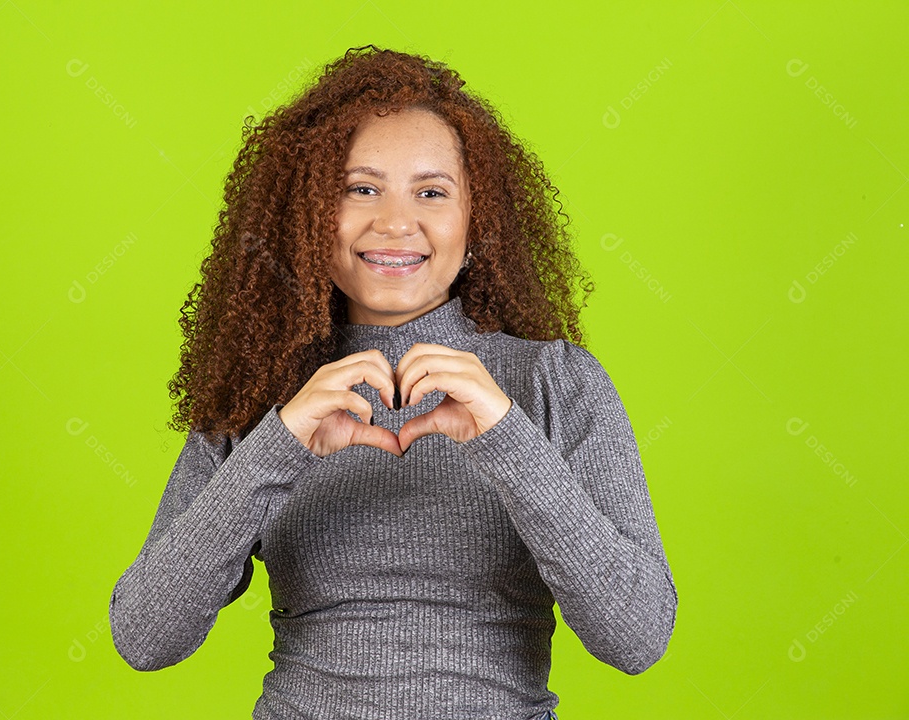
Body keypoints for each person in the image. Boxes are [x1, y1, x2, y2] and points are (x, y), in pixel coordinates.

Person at [108, 45, 677, 720]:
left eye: (431, 192)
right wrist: (280, 441)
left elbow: (636, 636)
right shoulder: (264, 387)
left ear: (478, 219)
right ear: (309, 211)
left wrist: (506, 439)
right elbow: (146, 637)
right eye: (361, 188)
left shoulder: (555, 380)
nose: (395, 222)